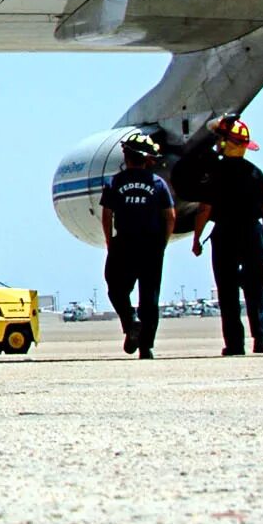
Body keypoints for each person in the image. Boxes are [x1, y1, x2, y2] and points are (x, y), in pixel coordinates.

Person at [189, 115, 263, 356]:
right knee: (256, 290)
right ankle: (260, 339)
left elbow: (204, 209)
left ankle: (235, 344)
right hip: (252, 234)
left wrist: (196, 239)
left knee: (228, 292)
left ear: (227, 142)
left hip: (225, 234)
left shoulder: (214, 172)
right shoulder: (255, 173)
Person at [100, 133, 175, 359]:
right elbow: (170, 216)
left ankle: (130, 320)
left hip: (124, 241)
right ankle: (146, 347)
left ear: (127, 156)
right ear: (148, 159)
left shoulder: (115, 182)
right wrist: (163, 242)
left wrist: (109, 240)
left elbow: (106, 214)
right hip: (152, 244)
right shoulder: (158, 184)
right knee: (149, 295)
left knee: (115, 287)